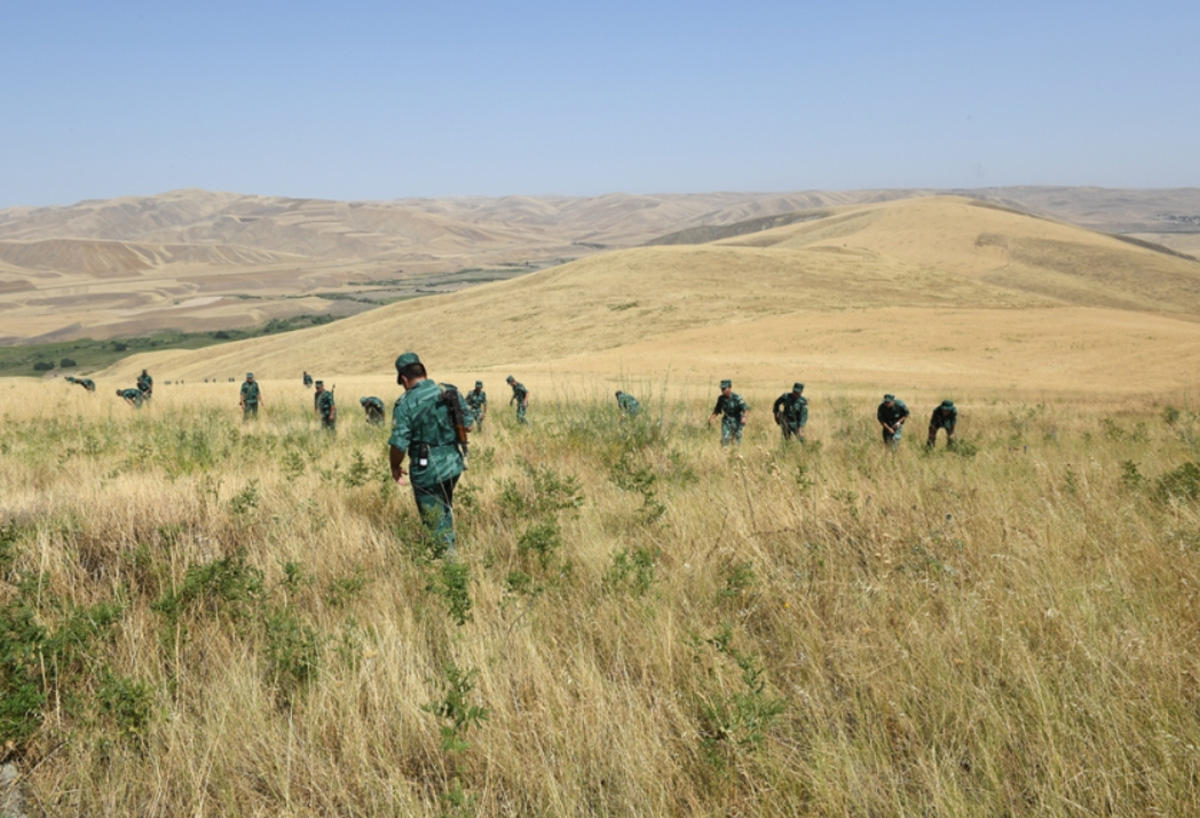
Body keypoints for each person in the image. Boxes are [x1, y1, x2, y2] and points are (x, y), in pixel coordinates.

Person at [389, 352, 472, 557]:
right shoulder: (449, 391)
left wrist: (394, 466)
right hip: (454, 463)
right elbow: (468, 425)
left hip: (427, 469)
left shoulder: (405, 404)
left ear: (404, 379)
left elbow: (399, 444)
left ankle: (449, 569)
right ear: (424, 372)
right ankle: (449, 550)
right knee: (444, 507)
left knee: (434, 521)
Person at [708, 379, 749, 446]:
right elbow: (717, 410)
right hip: (726, 420)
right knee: (725, 438)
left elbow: (745, 409)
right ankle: (725, 452)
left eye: (724, 388)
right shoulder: (721, 399)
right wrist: (712, 418)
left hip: (737, 420)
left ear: (730, 388)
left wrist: (744, 417)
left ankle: (736, 453)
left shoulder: (737, 398)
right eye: (722, 388)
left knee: (737, 439)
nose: (722, 390)